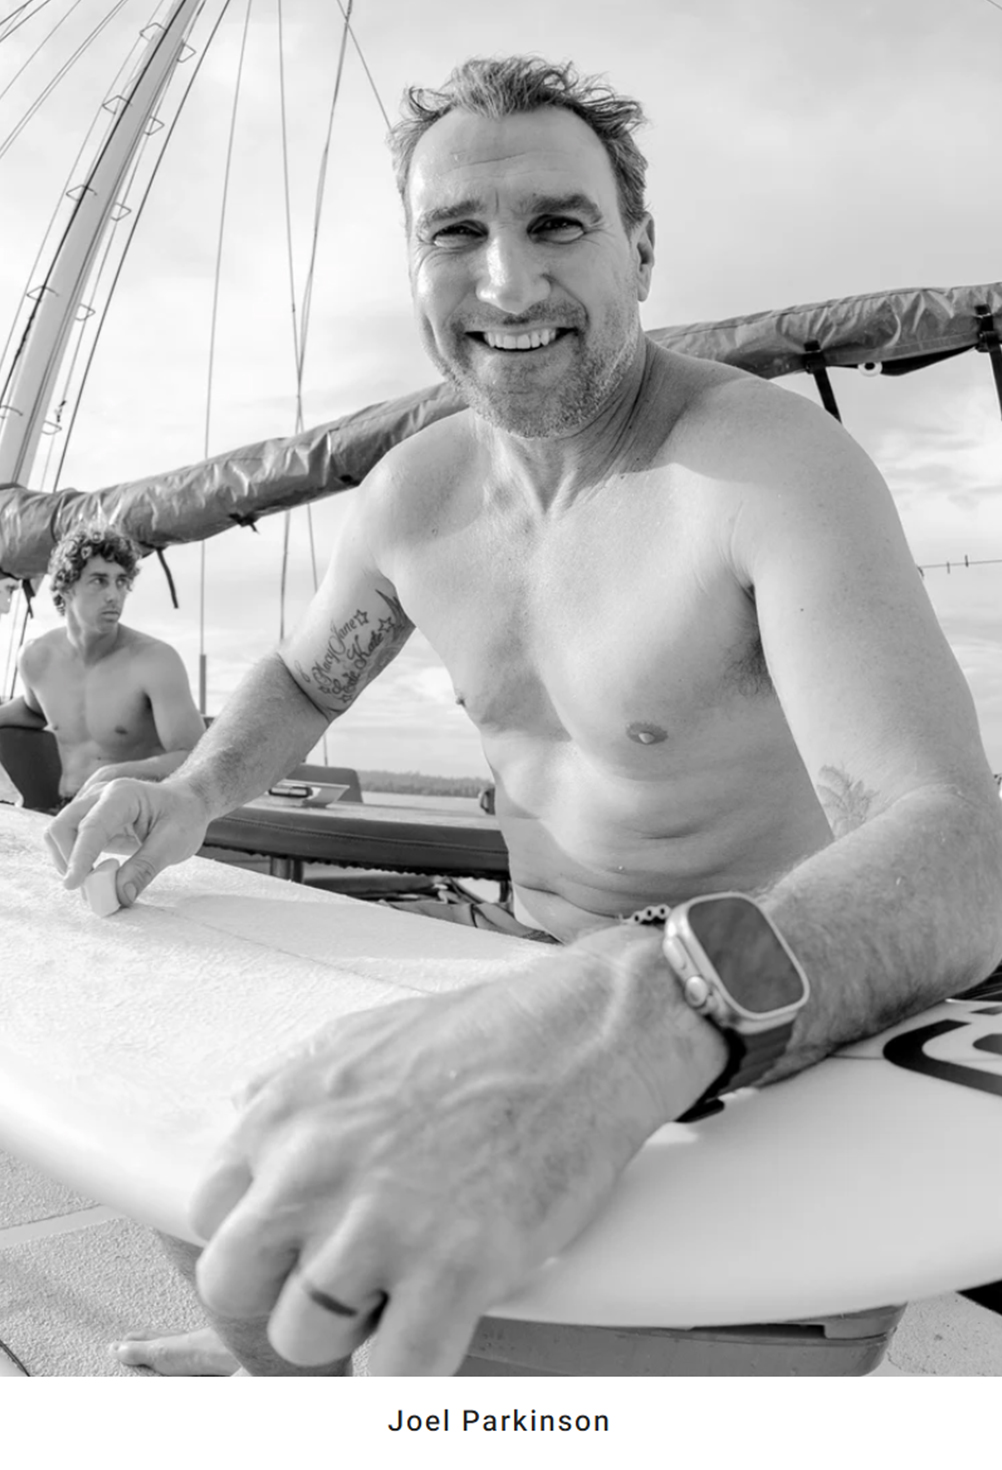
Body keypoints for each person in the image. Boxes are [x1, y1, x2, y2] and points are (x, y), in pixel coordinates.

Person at [46, 57, 1002, 1377]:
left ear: (640, 250)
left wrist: (638, 1013)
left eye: (557, 223)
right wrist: (194, 792)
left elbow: (953, 846)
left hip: (764, 1022)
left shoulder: (766, 473)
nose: (506, 283)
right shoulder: (413, 496)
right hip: (512, 956)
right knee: (211, 1170)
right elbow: (309, 678)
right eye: (457, 233)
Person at [0, 525, 204, 805]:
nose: (114, 595)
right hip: (63, 807)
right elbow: (34, 709)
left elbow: (195, 757)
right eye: (99, 581)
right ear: (66, 587)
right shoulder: (37, 657)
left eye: (121, 581)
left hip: (131, 814)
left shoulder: (156, 662)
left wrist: (116, 775)